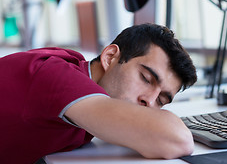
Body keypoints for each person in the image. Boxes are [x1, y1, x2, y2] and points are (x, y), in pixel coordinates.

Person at [0, 23, 197, 164]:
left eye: (162, 99)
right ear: (110, 57)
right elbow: (177, 139)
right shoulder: (58, 76)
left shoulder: (78, 69)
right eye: (146, 78)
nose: (149, 100)